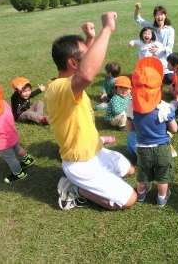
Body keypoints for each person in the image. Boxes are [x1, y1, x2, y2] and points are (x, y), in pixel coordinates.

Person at [45, 13, 137, 211]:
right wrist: (107, 29)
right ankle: (76, 189)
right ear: (73, 63)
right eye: (85, 54)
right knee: (129, 200)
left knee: (130, 170)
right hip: (80, 164)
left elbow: (82, 65)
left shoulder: (69, 85)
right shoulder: (59, 88)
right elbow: (86, 73)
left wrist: (89, 38)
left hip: (96, 150)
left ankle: (92, 182)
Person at [131, 57, 178, 207]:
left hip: (142, 149)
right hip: (162, 148)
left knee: (143, 175)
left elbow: (128, 127)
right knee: (162, 177)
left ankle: (141, 195)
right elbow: (174, 129)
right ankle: (161, 198)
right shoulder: (164, 108)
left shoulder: (132, 107)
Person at [134, 3, 175, 84]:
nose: (159, 17)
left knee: (170, 79)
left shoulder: (170, 30)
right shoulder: (151, 26)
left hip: (165, 62)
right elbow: (137, 19)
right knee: (143, 79)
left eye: (161, 14)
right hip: (151, 61)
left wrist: (159, 49)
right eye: (157, 15)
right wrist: (137, 9)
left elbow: (169, 48)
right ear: (154, 17)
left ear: (165, 15)